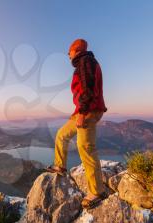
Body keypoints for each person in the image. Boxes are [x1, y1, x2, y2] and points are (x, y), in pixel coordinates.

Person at [46, 38, 108, 209]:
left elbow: (88, 88)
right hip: (83, 110)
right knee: (61, 134)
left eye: (69, 51)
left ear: (77, 49)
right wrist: (78, 112)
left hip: (88, 110)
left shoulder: (86, 61)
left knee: (85, 147)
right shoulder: (84, 62)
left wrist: (81, 112)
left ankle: (97, 191)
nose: (68, 54)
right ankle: (60, 165)